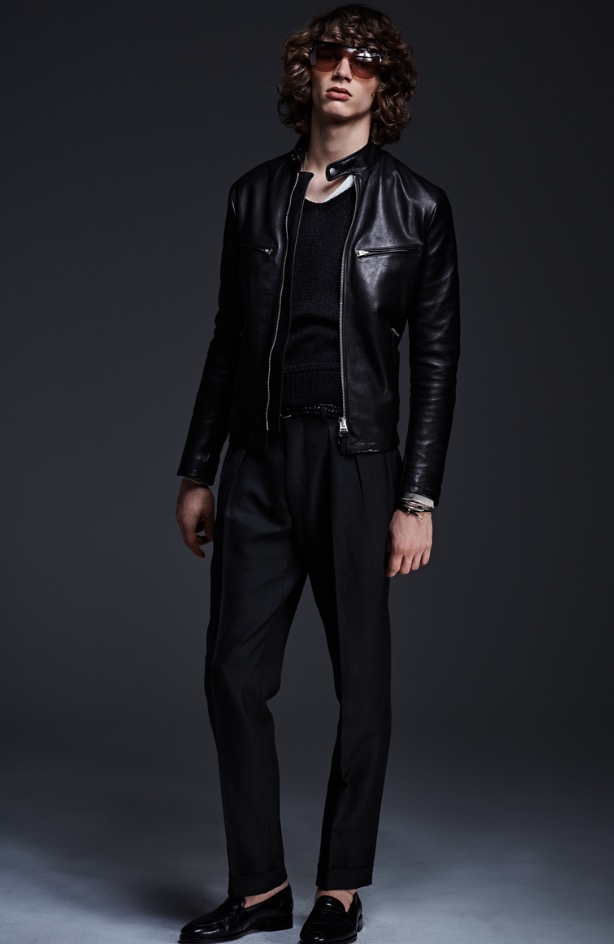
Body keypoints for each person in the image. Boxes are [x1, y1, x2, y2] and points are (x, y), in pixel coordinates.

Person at [175, 5, 460, 942]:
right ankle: (260, 887)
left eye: (365, 60)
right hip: (257, 462)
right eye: (330, 55)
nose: (344, 69)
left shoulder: (417, 208)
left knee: (362, 687)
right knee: (231, 676)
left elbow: (435, 362)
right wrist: (199, 468)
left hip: (358, 466)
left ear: (386, 85)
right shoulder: (252, 197)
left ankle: (340, 887)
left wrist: (418, 495)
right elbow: (227, 340)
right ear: (307, 73)